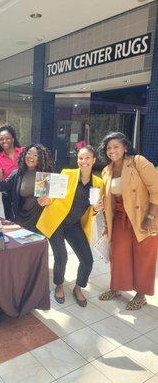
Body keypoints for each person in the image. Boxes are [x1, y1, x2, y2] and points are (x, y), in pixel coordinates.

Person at [97, 132, 158, 310]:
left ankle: (141, 294)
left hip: (143, 216)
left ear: (125, 147)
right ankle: (117, 287)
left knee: (144, 255)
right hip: (119, 218)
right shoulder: (107, 170)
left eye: (116, 146)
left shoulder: (138, 162)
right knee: (118, 253)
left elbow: (156, 189)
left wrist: (151, 216)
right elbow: (107, 198)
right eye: (108, 148)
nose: (112, 150)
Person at [37, 146, 103, 307]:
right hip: (57, 221)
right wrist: (45, 199)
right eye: (81, 158)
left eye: (87, 158)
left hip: (74, 224)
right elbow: (53, 195)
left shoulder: (98, 183)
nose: (84, 161)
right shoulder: (68, 174)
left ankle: (78, 287)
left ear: (94, 160)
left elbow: (93, 209)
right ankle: (59, 285)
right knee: (62, 256)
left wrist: (96, 209)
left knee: (87, 260)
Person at [0, 144, 54, 231]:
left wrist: (49, 198)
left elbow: (48, 200)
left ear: (41, 158)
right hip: (20, 219)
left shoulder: (44, 176)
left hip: (38, 221)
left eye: (35, 155)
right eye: (29, 153)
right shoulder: (17, 174)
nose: (31, 157)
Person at [0, 125, 24, 219]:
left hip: (25, 192)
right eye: (1, 139)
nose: (4, 141)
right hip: (8, 195)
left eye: (7, 138)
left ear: (13, 138)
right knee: (11, 221)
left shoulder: (23, 151)